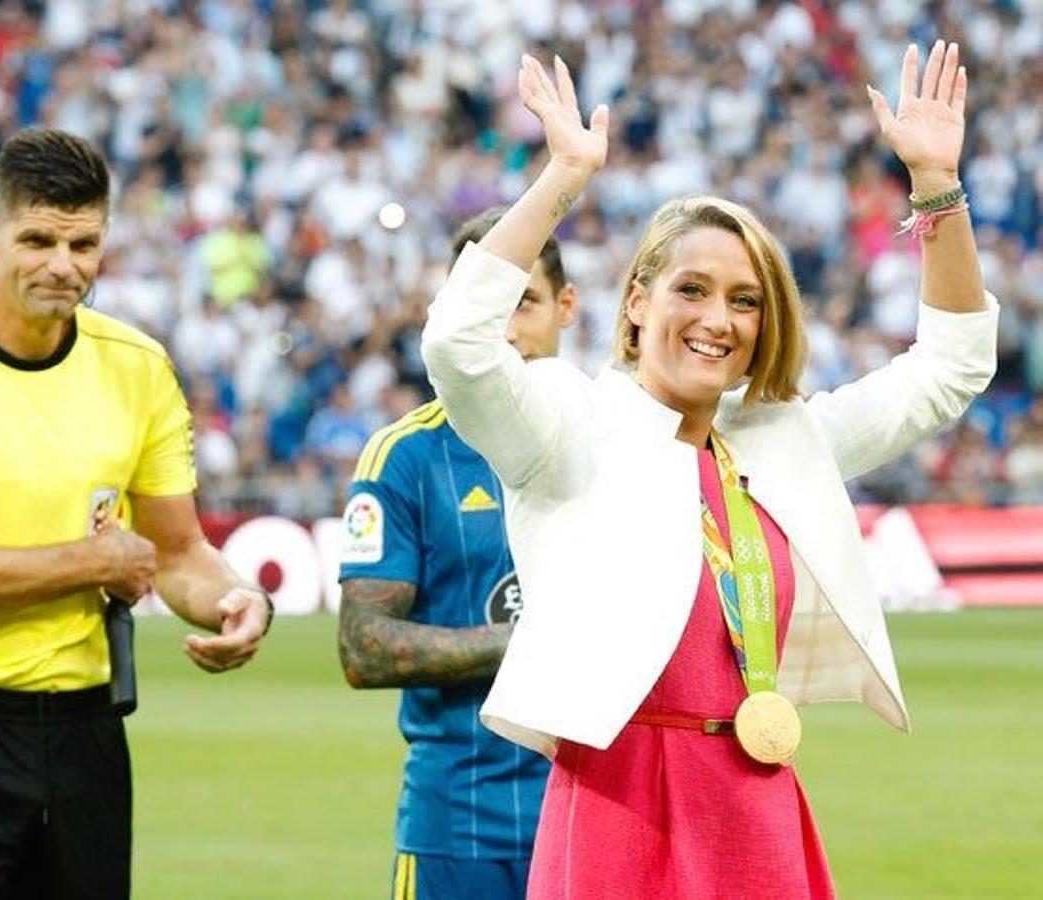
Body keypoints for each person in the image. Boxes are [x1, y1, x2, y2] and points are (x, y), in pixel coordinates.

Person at [420, 44, 996, 898]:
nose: (717, 320)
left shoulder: (783, 437)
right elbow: (457, 346)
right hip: (617, 801)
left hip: (755, 797)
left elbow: (949, 369)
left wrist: (938, 189)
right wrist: (565, 178)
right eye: (691, 289)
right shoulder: (566, 421)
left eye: (745, 299)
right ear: (638, 300)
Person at [0, 127, 273, 900]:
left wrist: (236, 599)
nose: (63, 264)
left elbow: (177, 552)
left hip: (86, 735)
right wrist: (95, 562)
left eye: (83, 243)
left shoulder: (139, 364)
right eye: (38, 238)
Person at [337, 207, 578, 900]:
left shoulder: (612, 438)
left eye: (524, 302)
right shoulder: (406, 457)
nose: (503, 329)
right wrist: (530, 642)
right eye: (483, 305)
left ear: (566, 306)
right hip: (458, 829)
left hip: (592, 820)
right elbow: (363, 646)